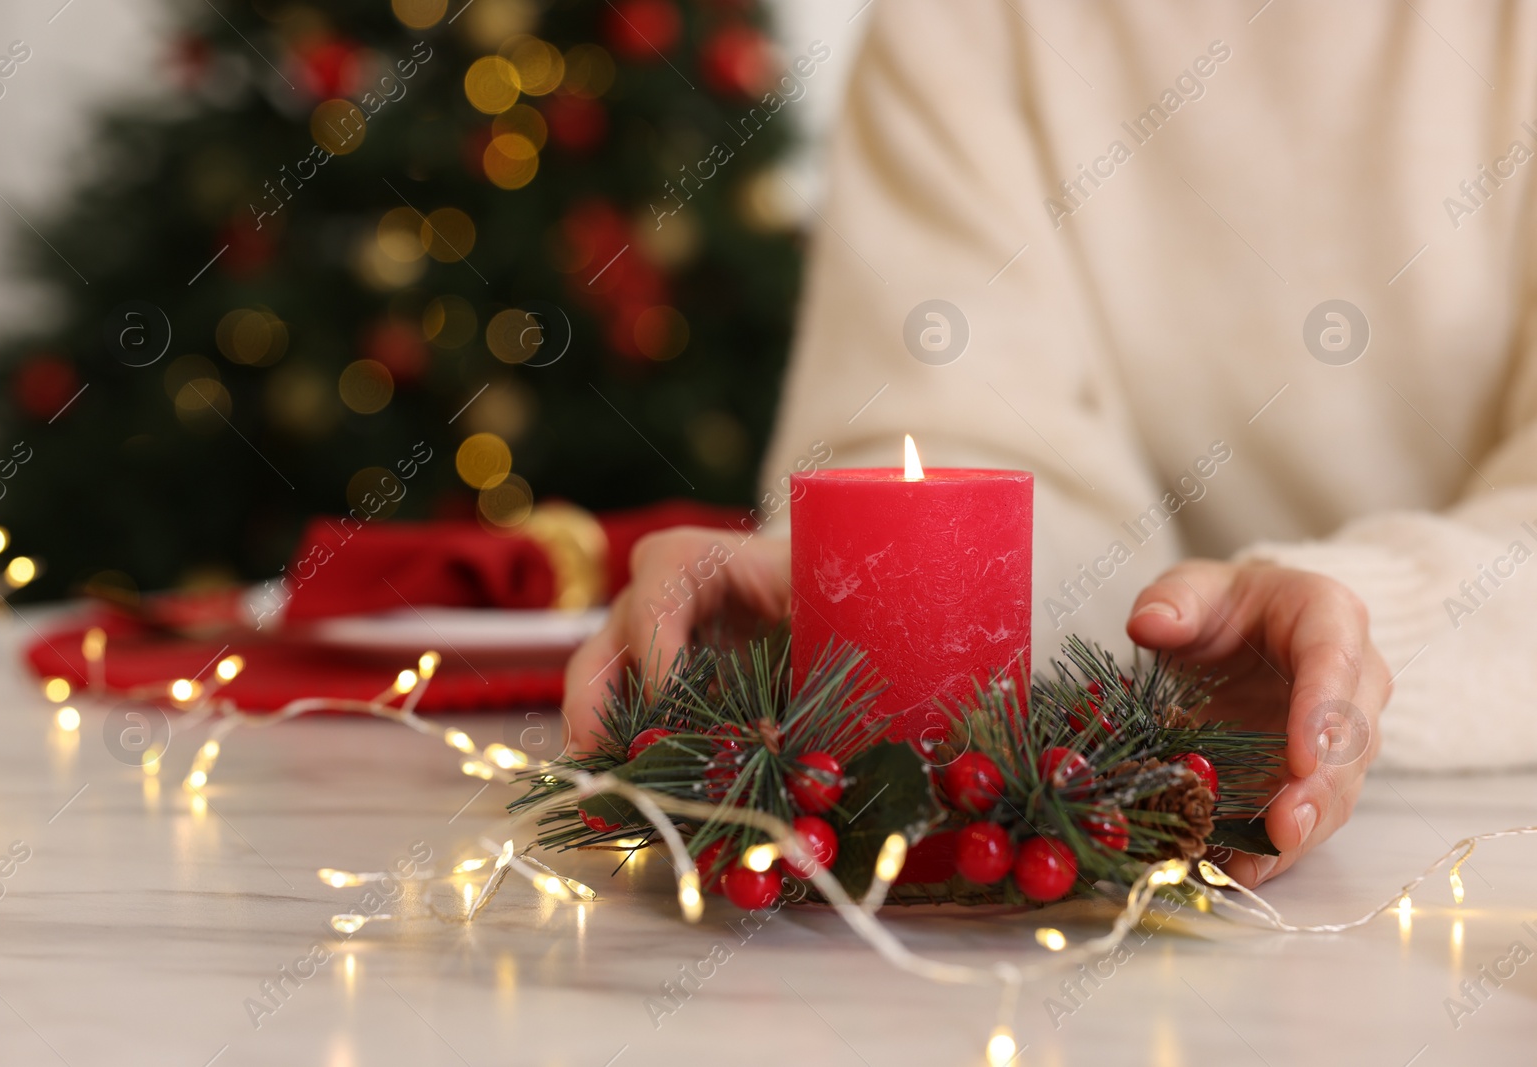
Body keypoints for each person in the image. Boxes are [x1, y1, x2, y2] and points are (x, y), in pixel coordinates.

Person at [566, 0, 1537, 887]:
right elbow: (954, 432)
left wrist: (1360, 635)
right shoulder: (965, 26)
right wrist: (861, 609)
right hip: (1101, 840)